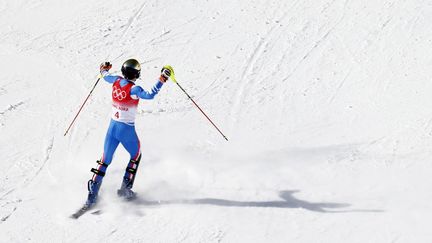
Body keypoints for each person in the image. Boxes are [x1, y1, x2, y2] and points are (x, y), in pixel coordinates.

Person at [84, 59, 172, 208]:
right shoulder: (134, 89)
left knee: (105, 160)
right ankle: (125, 190)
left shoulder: (116, 81)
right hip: (126, 130)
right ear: (136, 74)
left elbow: (105, 75)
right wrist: (162, 79)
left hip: (112, 129)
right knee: (136, 155)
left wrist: (103, 68)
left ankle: (92, 196)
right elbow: (150, 95)